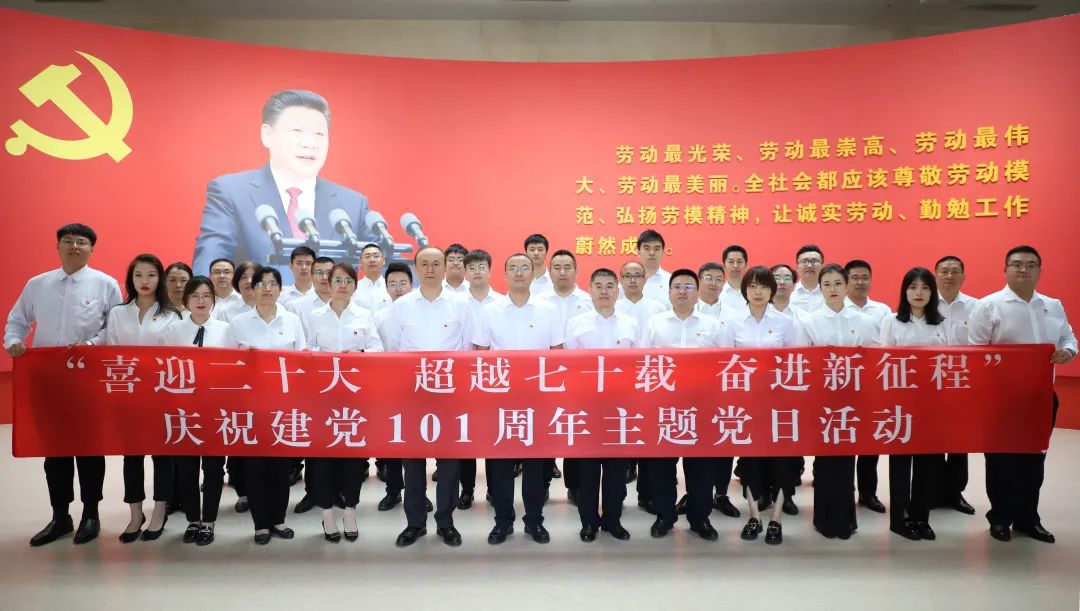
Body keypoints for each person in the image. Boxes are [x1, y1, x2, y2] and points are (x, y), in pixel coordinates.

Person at [6, 223, 122, 546]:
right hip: (49, 380)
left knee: (89, 448)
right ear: (57, 247)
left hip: (88, 379)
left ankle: (91, 514)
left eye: (81, 242)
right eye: (67, 241)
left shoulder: (106, 284)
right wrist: (13, 340)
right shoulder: (38, 284)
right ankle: (60, 516)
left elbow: (114, 327)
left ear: (91, 249)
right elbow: (17, 321)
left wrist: (92, 345)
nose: (74, 246)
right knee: (54, 450)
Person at [192, 89, 377, 283]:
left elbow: (389, 269)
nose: (310, 143)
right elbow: (209, 267)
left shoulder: (352, 205)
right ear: (267, 134)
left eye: (319, 134)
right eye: (297, 131)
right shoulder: (231, 192)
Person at [969, 245, 1076, 544]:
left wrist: (1068, 351)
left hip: (1041, 396)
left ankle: (1029, 518)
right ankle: (1001, 518)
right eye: (1016, 264)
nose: (1023, 269)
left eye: (1031, 264)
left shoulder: (1052, 305)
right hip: (1001, 399)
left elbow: (1068, 337)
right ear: (1005, 269)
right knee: (1001, 460)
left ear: (1039, 270)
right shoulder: (988, 305)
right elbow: (975, 351)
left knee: (1034, 460)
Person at [382, 247, 473, 548]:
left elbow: (468, 349)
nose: (431, 269)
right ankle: (415, 523)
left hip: (450, 396)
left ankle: (445, 522)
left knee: (449, 464)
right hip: (412, 395)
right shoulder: (402, 306)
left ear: (445, 267)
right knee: (413, 462)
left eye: (436, 264)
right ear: (416, 268)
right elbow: (393, 349)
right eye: (425, 264)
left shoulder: (461, 304)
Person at [474, 253, 564, 545]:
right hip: (500, 399)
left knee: (536, 467)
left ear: (532, 272)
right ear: (504, 275)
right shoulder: (489, 311)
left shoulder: (549, 310)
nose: (519, 272)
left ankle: (534, 520)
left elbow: (558, 353)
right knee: (500, 465)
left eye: (524, 267)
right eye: (512, 268)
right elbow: (480, 354)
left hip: (538, 399)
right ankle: (503, 522)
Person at [640, 269, 733, 541]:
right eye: (677, 286)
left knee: (701, 467)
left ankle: (699, 518)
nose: (683, 291)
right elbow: (641, 363)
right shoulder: (654, 323)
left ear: (697, 292)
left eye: (689, 287)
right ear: (669, 293)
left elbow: (726, 364)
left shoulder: (713, 326)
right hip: (663, 406)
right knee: (661, 467)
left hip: (702, 407)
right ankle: (664, 516)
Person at [796, 263, 880, 540]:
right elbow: (803, 361)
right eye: (827, 284)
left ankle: (846, 520)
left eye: (837, 283)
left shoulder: (864, 321)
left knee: (846, 459)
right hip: (822, 400)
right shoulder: (809, 321)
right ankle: (824, 519)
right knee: (825, 461)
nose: (832, 289)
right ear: (820, 289)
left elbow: (874, 360)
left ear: (846, 286)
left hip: (853, 400)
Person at [226, 265, 306, 545]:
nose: (267, 289)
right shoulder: (239, 323)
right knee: (256, 467)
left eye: (273, 284)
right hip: (252, 407)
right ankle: (261, 524)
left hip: (283, 406)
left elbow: (302, 361)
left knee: (281, 468)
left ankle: (278, 520)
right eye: (261, 284)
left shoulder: (292, 320)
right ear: (253, 288)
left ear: (280, 290)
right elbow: (226, 364)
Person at [106, 254, 182, 543]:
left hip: (161, 395)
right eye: (138, 275)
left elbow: (175, 359)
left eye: (151, 275)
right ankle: (135, 514)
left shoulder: (171, 314)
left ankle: (159, 511)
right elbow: (112, 353)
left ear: (159, 279)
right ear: (131, 279)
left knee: (162, 455)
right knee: (132, 456)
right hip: (128, 395)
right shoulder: (118, 313)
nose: (145, 281)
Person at [305, 262, 383, 542]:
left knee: (354, 457)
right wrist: (322, 357)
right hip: (323, 396)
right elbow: (306, 350)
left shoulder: (364, 315)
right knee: (323, 458)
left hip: (355, 397)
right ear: (328, 283)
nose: (342, 285)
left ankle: (350, 509)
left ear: (354, 286)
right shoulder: (314, 316)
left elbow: (377, 349)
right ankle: (327, 512)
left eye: (348, 281)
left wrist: (360, 354)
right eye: (337, 280)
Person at [163, 276, 238, 546]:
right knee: (186, 468)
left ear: (213, 300)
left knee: (214, 468)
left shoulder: (226, 330)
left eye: (207, 296)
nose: (201, 301)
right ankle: (193, 520)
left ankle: (209, 522)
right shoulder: (172, 331)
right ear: (186, 300)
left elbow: (234, 369)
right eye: (195, 296)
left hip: (215, 409)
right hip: (184, 410)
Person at [879, 267, 952, 541]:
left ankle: (922, 517)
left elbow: (951, 362)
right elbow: (883, 362)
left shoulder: (942, 323)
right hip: (901, 404)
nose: (918, 293)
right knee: (900, 464)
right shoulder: (892, 321)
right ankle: (899, 519)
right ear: (904, 292)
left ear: (932, 293)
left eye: (925, 288)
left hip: (932, 404)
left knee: (928, 463)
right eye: (912, 287)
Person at [564, 268, 635, 542]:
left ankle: (613, 521)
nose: (604, 291)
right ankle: (589, 523)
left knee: (617, 469)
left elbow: (638, 365)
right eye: (598, 286)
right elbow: (570, 367)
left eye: (609, 286)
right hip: (587, 406)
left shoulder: (630, 324)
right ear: (590, 290)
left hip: (620, 407)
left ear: (617, 290)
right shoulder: (576, 323)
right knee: (588, 469)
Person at [728, 266, 797, 545]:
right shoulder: (732, 322)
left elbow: (794, 364)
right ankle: (754, 516)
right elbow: (724, 365)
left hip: (779, 404)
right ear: (745, 290)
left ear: (772, 290)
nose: (758, 292)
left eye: (764, 286)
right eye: (753, 286)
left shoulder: (785, 323)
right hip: (745, 405)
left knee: (782, 462)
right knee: (750, 461)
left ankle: (776, 519)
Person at [457, 248, 506, 509]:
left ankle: (494, 489)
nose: (477, 271)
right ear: (466, 272)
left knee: (493, 434)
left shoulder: (502, 302)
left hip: (494, 379)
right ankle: (467, 489)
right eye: (472, 267)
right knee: (465, 436)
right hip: (462, 378)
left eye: (481, 267)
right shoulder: (455, 302)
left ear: (490, 270)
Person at [692, 261, 741, 519]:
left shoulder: (735, 314)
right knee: (694, 443)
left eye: (718, 279)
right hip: (693, 390)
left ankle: (721, 494)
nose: (713, 283)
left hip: (724, 388)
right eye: (708, 278)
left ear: (724, 283)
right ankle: (693, 494)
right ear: (699, 280)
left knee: (723, 441)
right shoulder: (686, 309)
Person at [288, 255, 336, 515]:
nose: (324, 278)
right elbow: (297, 345)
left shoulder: (350, 304)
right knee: (314, 440)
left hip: (341, 383)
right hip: (308, 382)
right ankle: (313, 492)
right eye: (319, 272)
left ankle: (337, 491)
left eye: (330, 273)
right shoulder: (298, 306)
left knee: (338, 435)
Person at [614, 260, 666, 489]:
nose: (632, 280)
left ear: (645, 279)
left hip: (650, 375)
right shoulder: (613, 306)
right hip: (620, 377)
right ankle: (626, 465)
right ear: (621, 280)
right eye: (627, 275)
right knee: (625, 422)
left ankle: (646, 482)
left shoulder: (658, 308)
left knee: (647, 427)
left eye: (637, 275)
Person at [933, 255, 979, 514]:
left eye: (954, 271)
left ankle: (955, 492)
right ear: (935, 275)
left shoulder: (976, 307)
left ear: (963, 276)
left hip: (964, 383)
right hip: (931, 383)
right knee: (933, 438)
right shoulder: (925, 304)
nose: (949, 276)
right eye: (944, 271)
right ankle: (934, 490)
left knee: (959, 440)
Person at [372, 262, 414, 512]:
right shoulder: (379, 317)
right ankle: (393, 491)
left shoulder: (420, 312)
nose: (398, 289)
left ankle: (417, 492)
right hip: (387, 387)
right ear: (386, 288)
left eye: (403, 283)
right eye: (393, 284)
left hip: (415, 387)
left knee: (414, 443)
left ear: (411, 285)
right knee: (390, 442)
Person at [844, 259, 892, 326]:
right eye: (855, 278)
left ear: (870, 280)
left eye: (865, 278)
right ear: (845, 281)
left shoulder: (883, 310)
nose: (860, 282)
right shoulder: (839, 309)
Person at [352, 243, 392, 313]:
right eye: (367, 257)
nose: (372, 260)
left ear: (383, 260)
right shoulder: (352, 289)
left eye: (376, 256)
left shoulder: (392, 287)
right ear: (360, 262)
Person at [637, 229, 671, 307]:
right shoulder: (628, 281)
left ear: (663, 252)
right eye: (647, 248)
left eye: (656, 249)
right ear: (638, 252)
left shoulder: (671, 281)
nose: (652, 253)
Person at [790, 244, 825, 312]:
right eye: (804, 261)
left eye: (814, 261)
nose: (809, 266)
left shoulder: (831, 292)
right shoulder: (789, 292)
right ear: (797, 268)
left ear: (822, 267)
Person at [720, 245, 750, 317]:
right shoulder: (718, 293)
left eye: (739, 262)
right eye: (731, 262)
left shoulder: (754, 292)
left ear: (746, 265)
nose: (735, 266)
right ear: (723, 266)